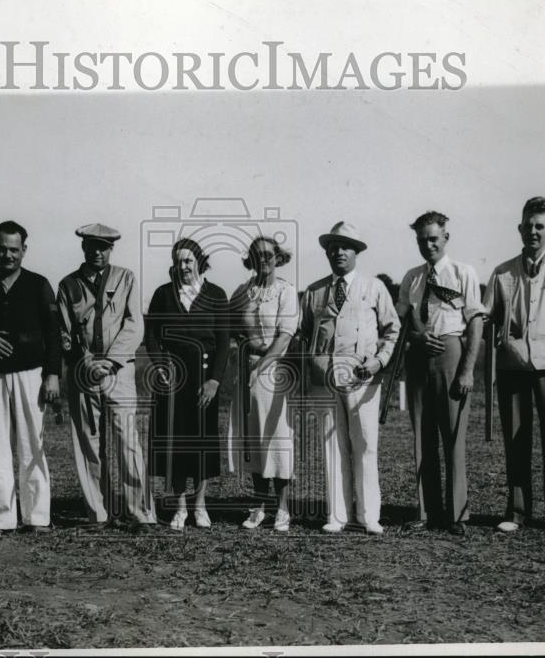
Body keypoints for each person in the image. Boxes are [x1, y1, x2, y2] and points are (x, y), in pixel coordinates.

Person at [483, 197, 545, 537]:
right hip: (513, 367)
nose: (533, 232)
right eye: (528, 225)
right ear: (519, 228)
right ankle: (516, 510)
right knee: (516, 439)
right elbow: (486, 319)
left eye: (540, 226)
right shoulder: (502, 272)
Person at [297, 222, 400, 534]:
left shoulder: (374, 288)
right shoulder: (314, 291)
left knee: (365, 443)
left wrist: (378, 361)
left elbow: (392, 330)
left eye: (345, 246)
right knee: (332, 445)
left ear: (357, 251)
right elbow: (303, 333)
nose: (339, 252)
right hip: (323, 380)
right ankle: (338, 515)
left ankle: (369, 516)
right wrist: (309, 367)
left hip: (362, 378)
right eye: (333, 246)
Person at [0, 221, 60, 537]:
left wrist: (53, 374)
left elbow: (54, 334)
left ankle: (37, 517)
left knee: (33, 444)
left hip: (31, 375)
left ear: (24, 250)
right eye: (2, 249)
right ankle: (0, 518)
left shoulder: (39, 285)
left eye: (14, 250)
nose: (8, 255)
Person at [56, 223, 156, 530]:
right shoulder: (68, 284)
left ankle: (139, 512)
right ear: (83, 248)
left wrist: (110, 362)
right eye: (92, 246)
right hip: (84, 371)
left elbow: (134, 324)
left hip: (119, 370)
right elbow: (64, 331)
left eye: (104, 247)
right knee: (89, 442)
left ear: (111, 249)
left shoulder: (125, 277)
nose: (97, 252)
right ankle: (97, 512)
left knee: (127, 440)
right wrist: (85, 362)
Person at [396, 212, 484, 536]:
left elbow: (475, 320)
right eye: (422, 239)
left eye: (433, 238)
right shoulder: (412, 277)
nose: (428, 244)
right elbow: (400, 321)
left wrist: (467, 370)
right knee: (422, 435)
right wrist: (414, 337)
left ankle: (456, 515)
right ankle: (425, 510)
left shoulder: (463, 273)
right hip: (419, 357)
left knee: (453, 437)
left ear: (446, 237)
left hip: (451, 353)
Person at [146, 238, 230, 530]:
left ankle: (200, 505)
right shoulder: (162, 294)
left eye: (188, 261)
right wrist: (159, 365)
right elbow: (152, 337)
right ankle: (180, 507)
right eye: (179, 261)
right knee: (176, 443)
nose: (183, 267)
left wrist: (214, 381)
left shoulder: (216, 294)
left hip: (204, 379)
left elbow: (223, 343)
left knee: (203, 443)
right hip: (172, 379)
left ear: (199, 262)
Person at [228, 236, 299, 532]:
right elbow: (230, 327)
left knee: (277, 438)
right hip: (246, 371)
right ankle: (258, 505)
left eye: (270, 255)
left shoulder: (286, 291)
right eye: (258, 255)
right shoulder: (242, 291)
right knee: (253, 439)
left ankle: (282, 508)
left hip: (275, 372)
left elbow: (285, 335)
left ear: (278, 257)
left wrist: (263, 364)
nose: (264, 260)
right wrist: (239, 352)